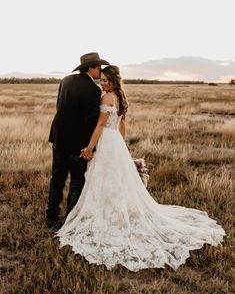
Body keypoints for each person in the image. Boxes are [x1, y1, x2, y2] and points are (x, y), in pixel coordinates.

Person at [56, 65, 225, 271]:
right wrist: (121, 146)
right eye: (102, 81)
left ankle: (111, 216)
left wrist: (90, 148)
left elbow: (100, 126)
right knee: (115, 181)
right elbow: (121, 124)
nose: (103, 84)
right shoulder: (120, 95)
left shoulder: (107, 98)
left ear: (114, 81)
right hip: (115, 142)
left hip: (108, 142)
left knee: (105, 180)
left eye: (106, 81)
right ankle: (117, 212)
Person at [46, 52, 110, 228]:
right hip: (77, 144)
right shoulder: (94, 90)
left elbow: (59, 105)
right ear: (91, 68)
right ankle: (70, 220)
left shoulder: (66, 80)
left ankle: (51, 216)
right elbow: (91, 123)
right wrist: (90, 147)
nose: (101, 71)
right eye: (99, 68)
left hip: (58, 137)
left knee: (57, 178)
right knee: (76, 181)